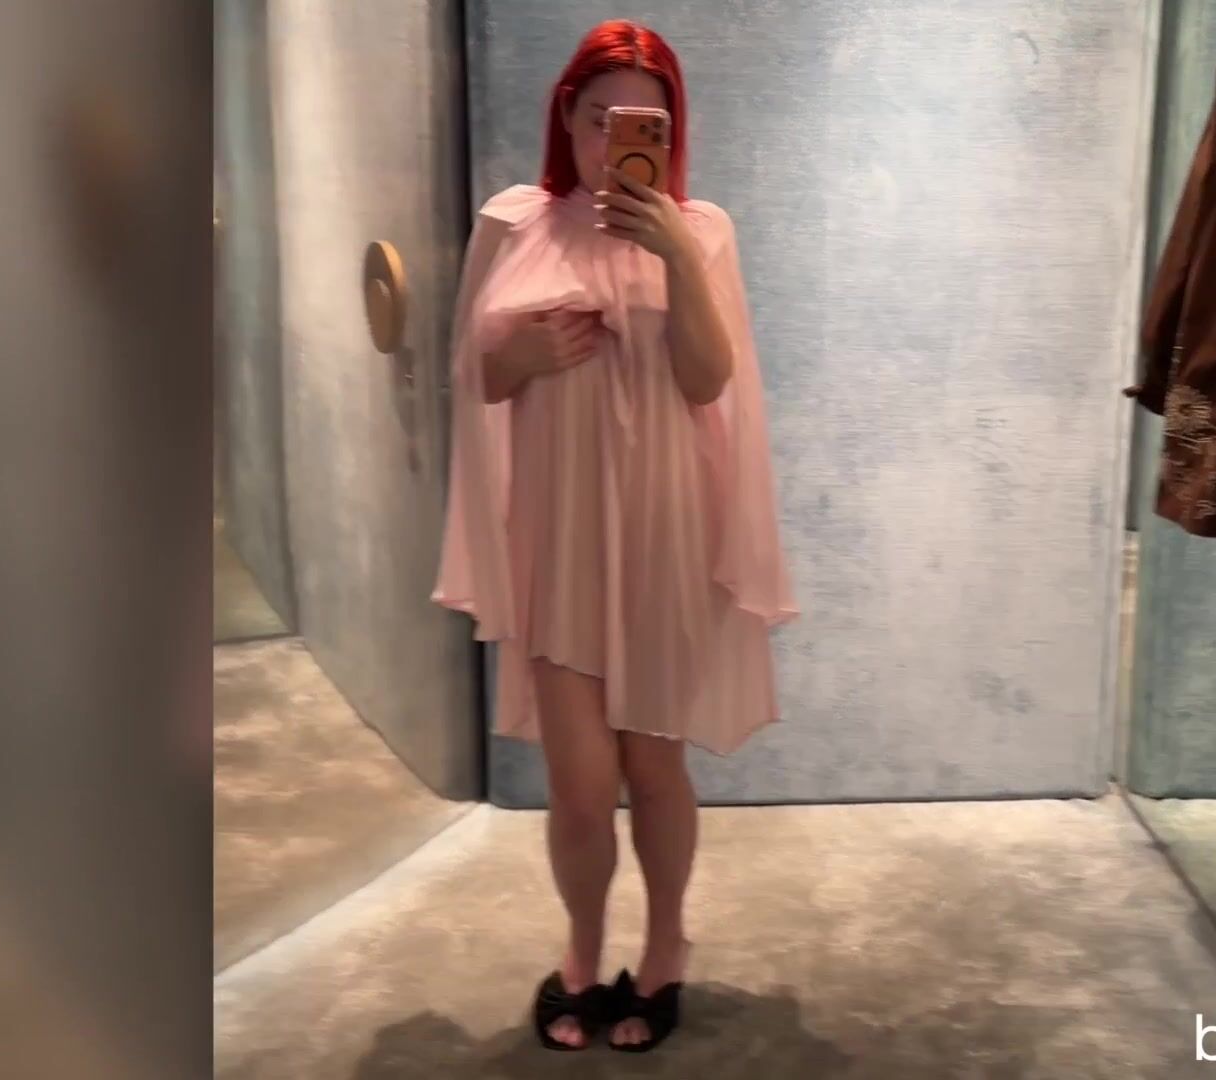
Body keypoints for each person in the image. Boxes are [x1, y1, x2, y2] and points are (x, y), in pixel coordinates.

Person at [431, 19, 796, 1053]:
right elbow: (473, 376)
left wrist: (673, 252)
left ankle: (666, 944)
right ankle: (582, 951)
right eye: (598, 119)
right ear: (567, 115)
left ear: (672, 130)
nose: (614, 141)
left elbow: (708, 381)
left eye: (643, 124)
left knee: (656, 770)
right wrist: (526, 357)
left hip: (666, 528)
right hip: (559, 532)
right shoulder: (514, 222)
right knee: (582, 786)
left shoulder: (702, 230)